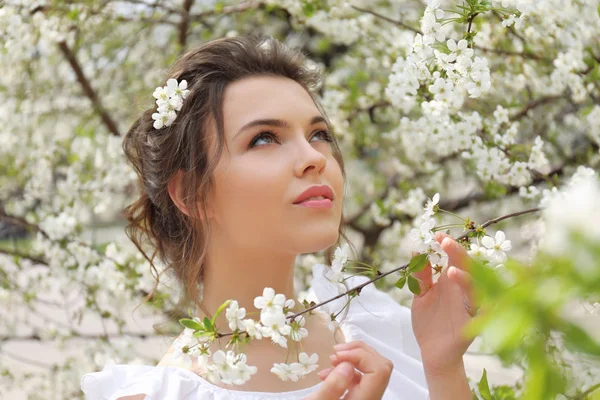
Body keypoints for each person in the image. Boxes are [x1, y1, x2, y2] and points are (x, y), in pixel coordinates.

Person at [80, 35, 477, 400]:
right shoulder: (161, 394)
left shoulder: (383, 329)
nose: (313, 158)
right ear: (190, 194)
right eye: (264, 138)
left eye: (319, 134)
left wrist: (443, 371)